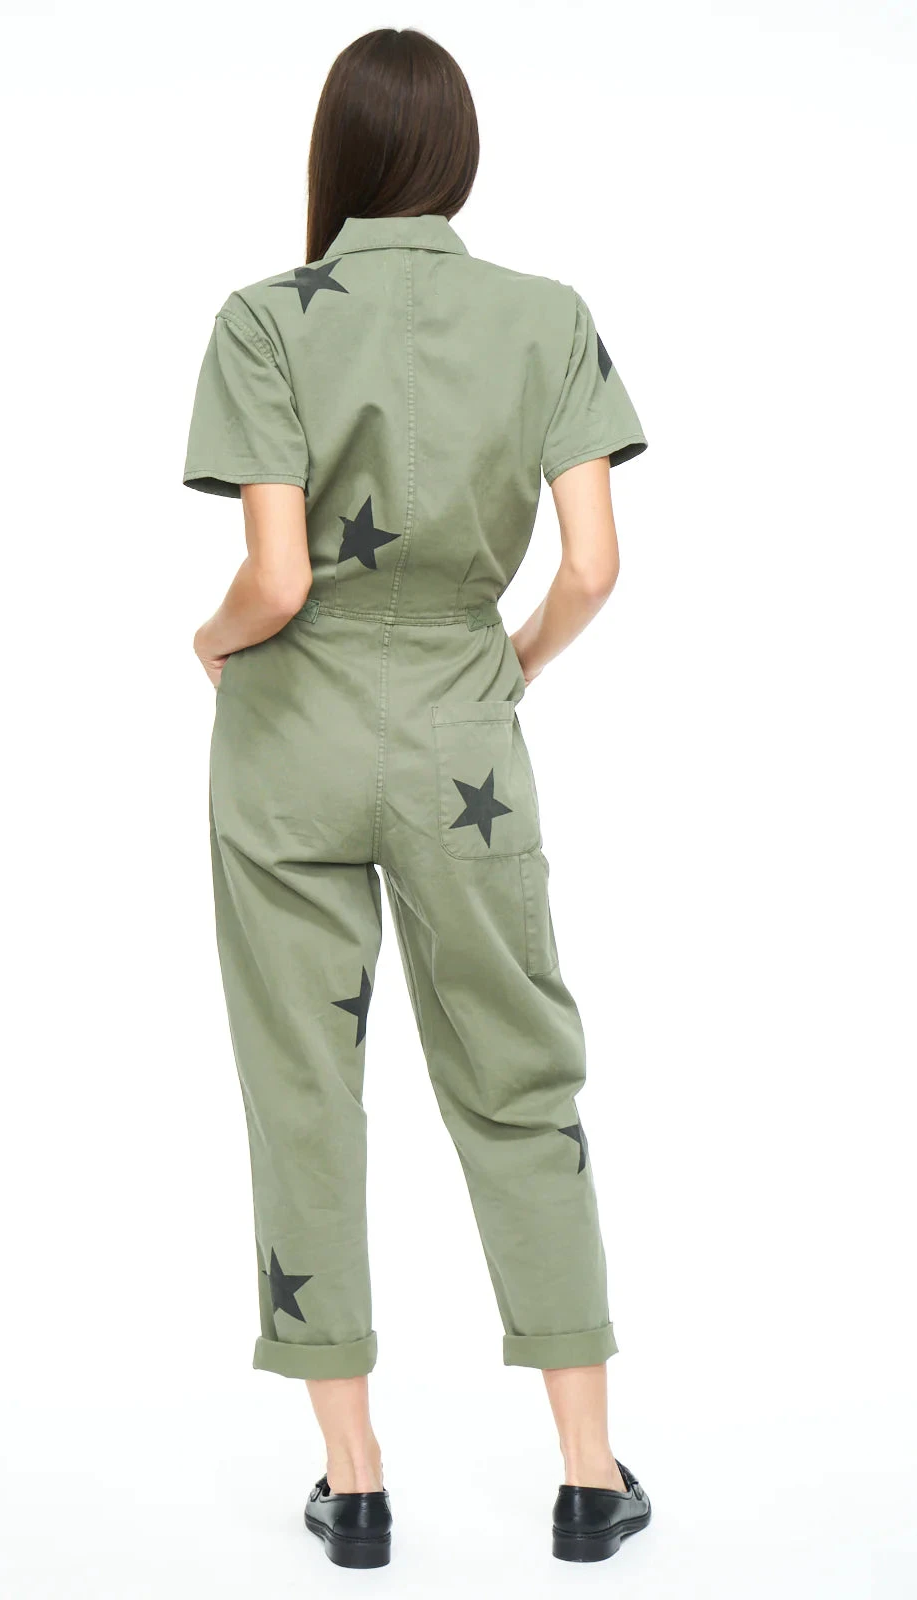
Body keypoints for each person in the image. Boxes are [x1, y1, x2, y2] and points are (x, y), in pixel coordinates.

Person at [182, 26, 651, 1569]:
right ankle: (586, 1478)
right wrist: (507, 663)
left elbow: (274, 579)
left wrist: (209, 642)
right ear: (457, 155)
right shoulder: (546, 316)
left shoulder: (264, 318)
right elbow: (592, 565)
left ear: (334, 153)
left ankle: (358, 1483)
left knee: (303, 1090)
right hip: (461, 729)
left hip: (288, 737)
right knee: (518, 1075)